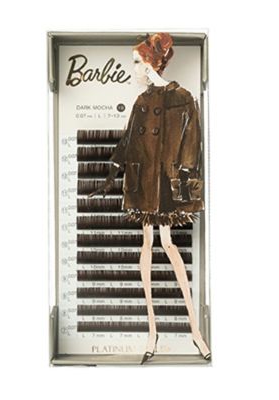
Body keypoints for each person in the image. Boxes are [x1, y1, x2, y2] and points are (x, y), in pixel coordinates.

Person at [88, 32, 211, 363]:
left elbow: (192, 146)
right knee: (147, 244)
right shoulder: (141, 101)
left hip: (168, 184)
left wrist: (184, 181)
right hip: (142, 183)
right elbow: (128, 141)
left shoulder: (183, 98)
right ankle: (152, 331)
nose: (133, 70)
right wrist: (112, 173)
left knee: (168, 246)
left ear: (149, 64)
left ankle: (196, 332)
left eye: (136, 63)